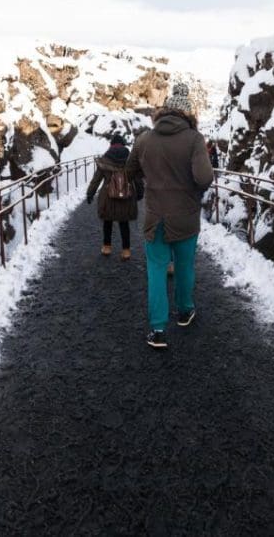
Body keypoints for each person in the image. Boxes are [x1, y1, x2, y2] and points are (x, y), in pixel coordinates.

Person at [126, 83, 213, 349]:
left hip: (155, 218)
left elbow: (130, 171)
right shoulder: (195, 140)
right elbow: (205, 178)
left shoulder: (144, 139)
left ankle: (158, 329)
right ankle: (185, 311)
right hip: (186, 217)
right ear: (188, 115)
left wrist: (150, 178)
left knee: (156, 270)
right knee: (185, 265)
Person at [86, 133, 141, 260]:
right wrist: (139, 192)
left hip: (108, 196)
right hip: (126, 195)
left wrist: (90, 193)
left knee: (107, 221)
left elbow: (96, 179)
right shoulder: (130, 159)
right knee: (124, 223)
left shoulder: (105, 159)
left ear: (111, 145)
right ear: (123, 144)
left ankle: (107, 247)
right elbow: (137, 178)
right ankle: (126, 250)